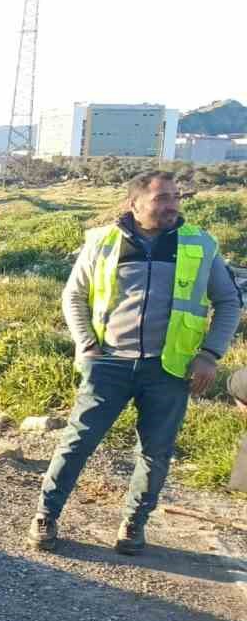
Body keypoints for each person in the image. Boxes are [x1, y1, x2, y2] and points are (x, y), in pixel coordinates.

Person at [30, 171, 241, 555]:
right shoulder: (103, 242)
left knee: (155, 453)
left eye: (176, 197)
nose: (172, 205)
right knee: (76, 444)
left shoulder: (199, 244)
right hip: (108, 363)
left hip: (169, 369)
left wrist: (210, 355)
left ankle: (133, 523)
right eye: (162, 198)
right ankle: (46, 514)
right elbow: (73, 296)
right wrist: (87, 346)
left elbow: (229, 302)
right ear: (135, 203)